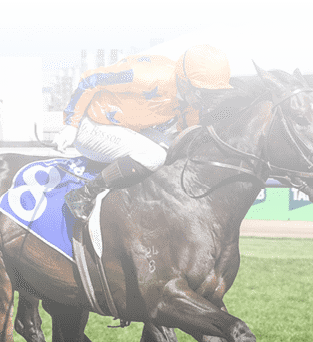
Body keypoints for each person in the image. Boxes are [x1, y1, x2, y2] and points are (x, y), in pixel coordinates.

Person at [52, 44, 233, 221]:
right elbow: (89, 80)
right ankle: (83, 195)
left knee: (176, 151)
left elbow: (187, 136)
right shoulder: (145, 76)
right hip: (91, 125)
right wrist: (71, 125)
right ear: (185, 83)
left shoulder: (190, 101)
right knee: (154, 156)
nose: (208, 101)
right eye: (205, 93)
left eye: (213, 94)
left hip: (126, 128)